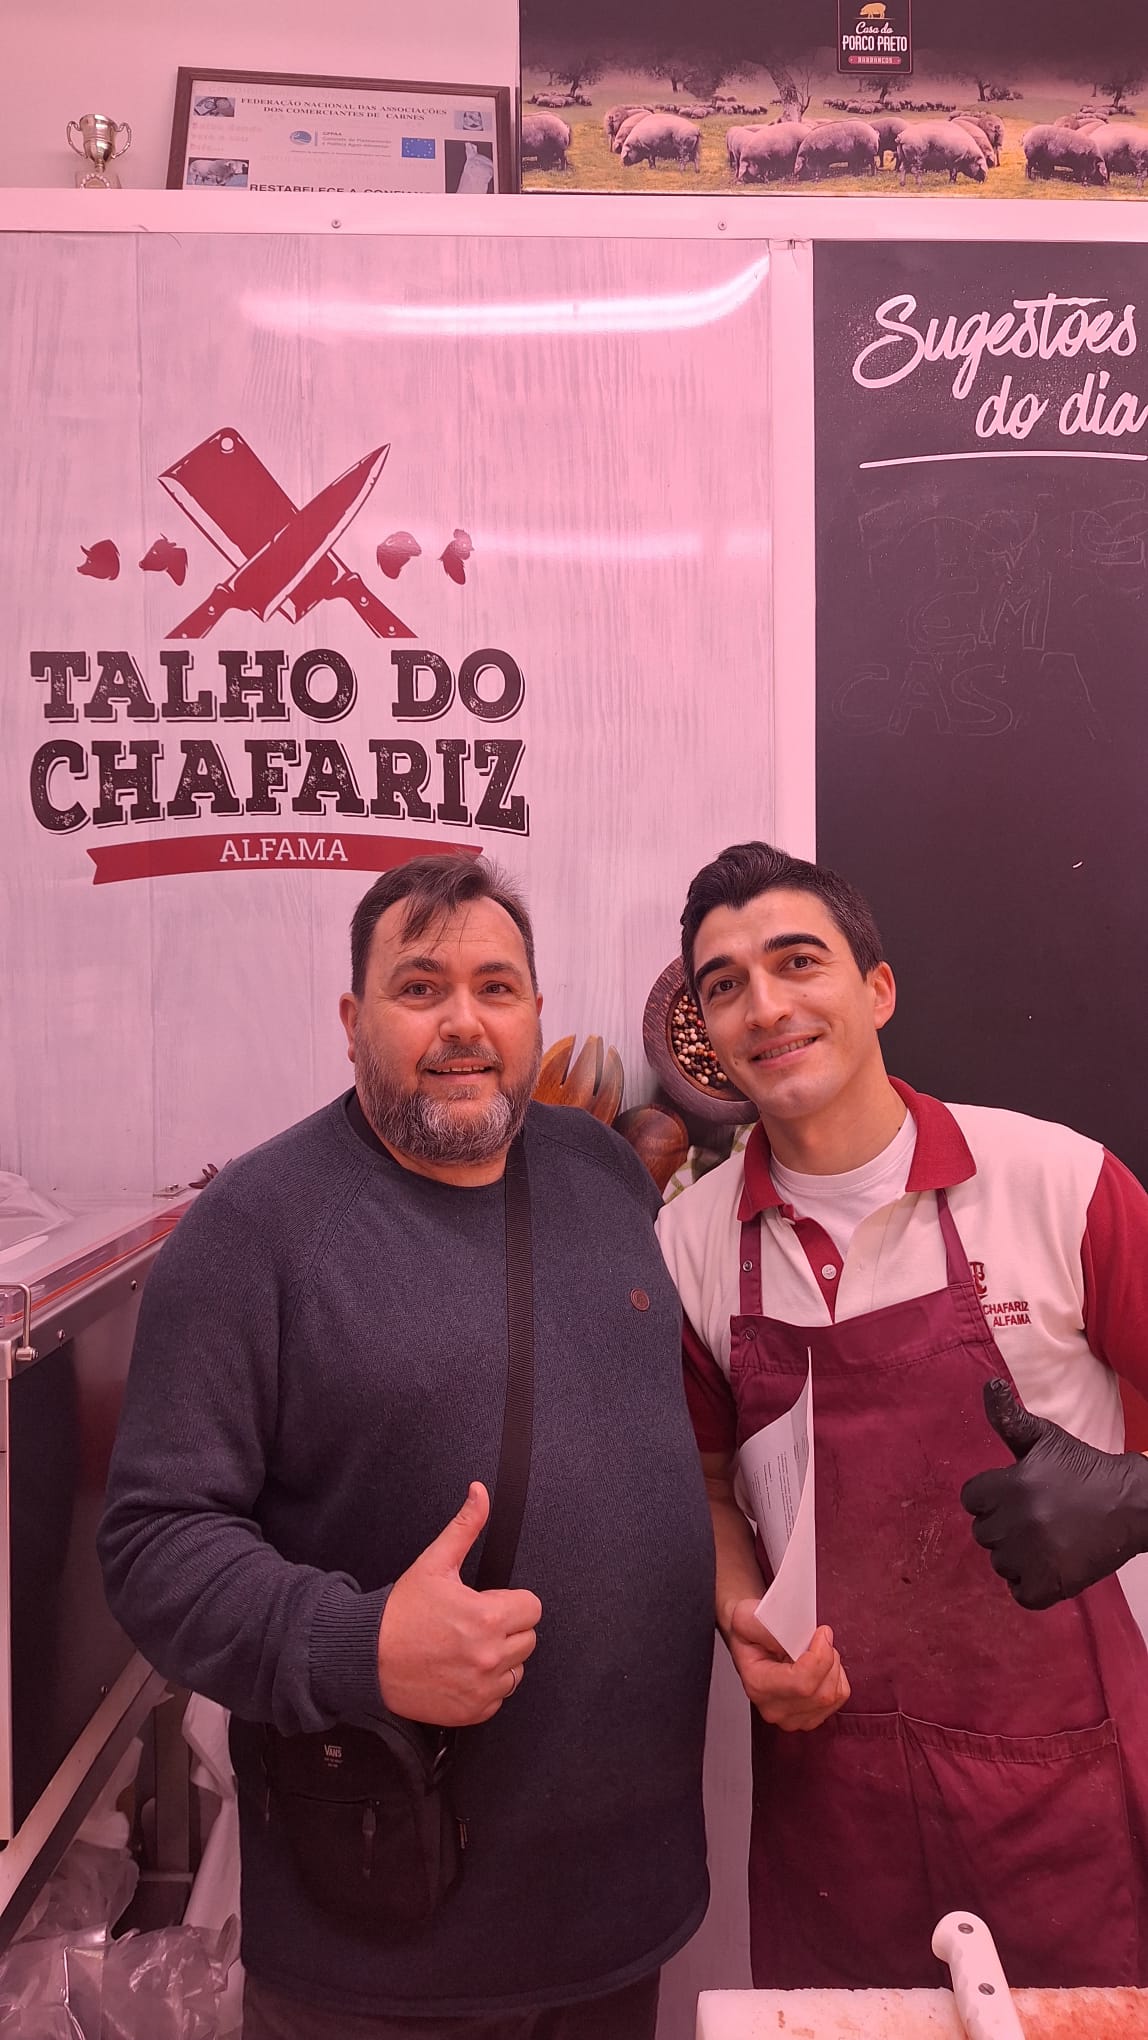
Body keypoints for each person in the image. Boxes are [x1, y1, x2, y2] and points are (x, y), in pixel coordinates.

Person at [99, 853, 714, 2039]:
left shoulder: (599, 1171)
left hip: (619, 1904)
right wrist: (359, 1645)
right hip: (385, 1925)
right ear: (352, 1021)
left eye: (496, 987)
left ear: (535, 1011)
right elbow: (152, 1546)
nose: (463, 1022)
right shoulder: (251, 1231)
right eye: (420, 987)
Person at [655, 839, 1148, 1993]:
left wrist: (1135, 1496)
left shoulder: (1055, 1183)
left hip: (1064, 1795)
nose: (763, 1006)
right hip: (836, 1814)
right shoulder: (687, 1244)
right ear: (708, 1032)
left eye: (796, 961)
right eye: (724, 984)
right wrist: (740, 1619)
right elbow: (709, 1486)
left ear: (875, 989)